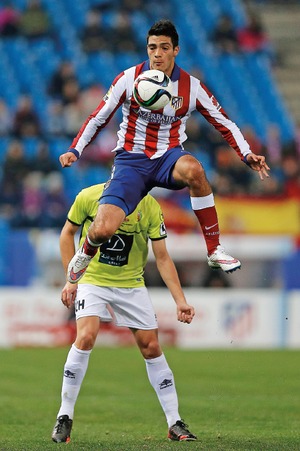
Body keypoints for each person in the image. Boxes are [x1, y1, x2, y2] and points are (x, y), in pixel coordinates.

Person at [59, 19, 270, 284]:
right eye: (152, 47)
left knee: (195, 170)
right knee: (102, 230)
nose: (157, 54)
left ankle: (214, 249)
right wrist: (74, 150)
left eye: (164, 47)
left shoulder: (192, 87)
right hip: (131, 161)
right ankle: (86, 251)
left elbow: (224, 123)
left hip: (168, 157)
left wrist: (246, 154)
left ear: (176, 50)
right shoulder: (128, 79)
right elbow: (98, 117)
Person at [51, 183, 197, 443]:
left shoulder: (150, 205)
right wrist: (71, 279)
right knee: (85, 337)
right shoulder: (89, 196)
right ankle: (64, 416)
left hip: (131, 283)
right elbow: (67, 233)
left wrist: (180, 300)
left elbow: (162, 257)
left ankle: (174, 422)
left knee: (151, 346)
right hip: (92, 279)